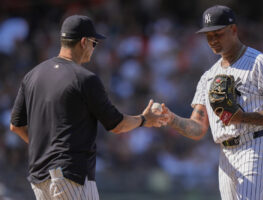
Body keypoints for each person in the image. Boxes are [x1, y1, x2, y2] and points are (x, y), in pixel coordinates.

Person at [10, 15, 166, 200]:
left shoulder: (32, 76)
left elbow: (16, 126)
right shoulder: (84, 78)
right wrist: (143, 120)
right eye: (94, 43)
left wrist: (45, 151)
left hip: (39, 178)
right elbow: (116, 124)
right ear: (83, 42)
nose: (94, 48)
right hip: (69, 176)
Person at [161, 5, 263, 200]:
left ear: (233, 30)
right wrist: (171, 119)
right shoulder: (208, 77)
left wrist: (242, 117)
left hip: (257, 145)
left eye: (218, 34)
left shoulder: (261, 63)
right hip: (226, 153)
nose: (213, 40)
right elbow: (198, 128)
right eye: (209, 36)